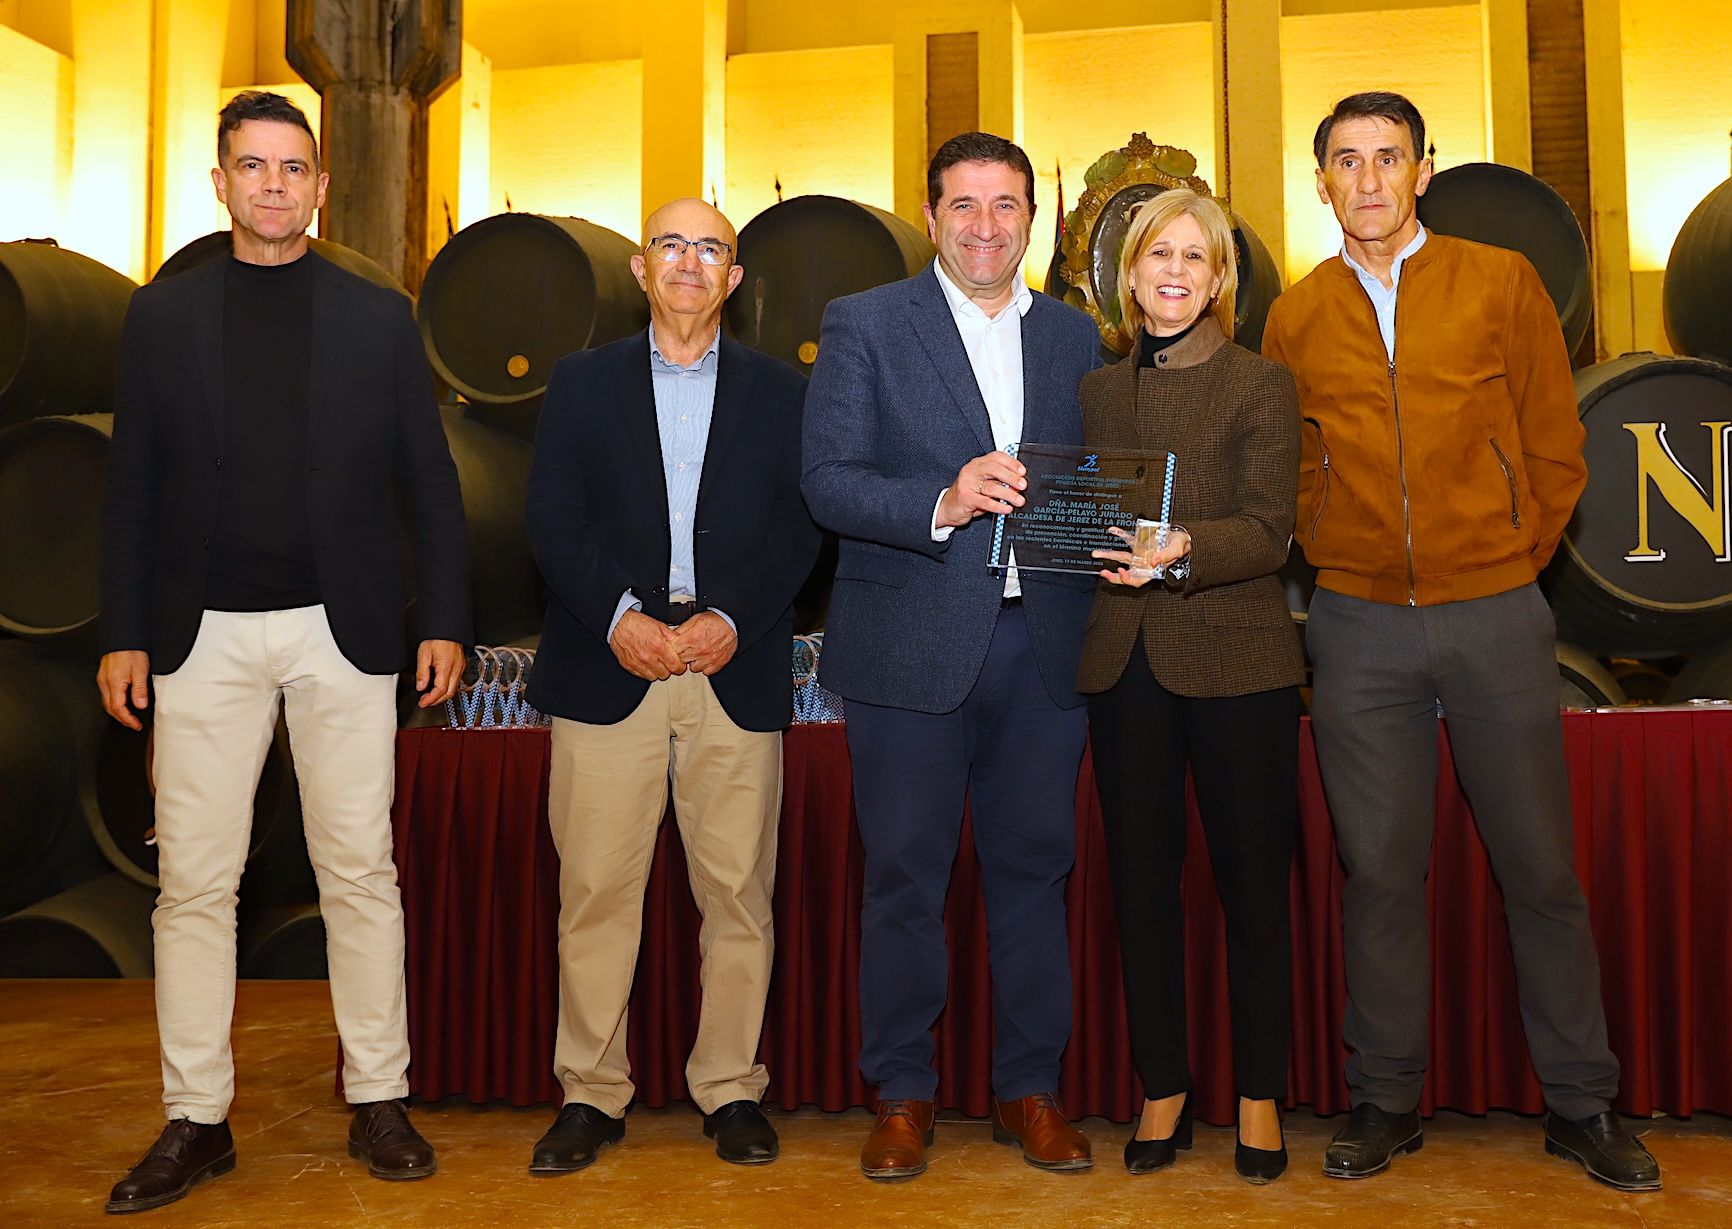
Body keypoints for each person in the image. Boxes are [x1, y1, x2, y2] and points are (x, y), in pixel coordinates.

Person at [1261, 90, 1661, 1191]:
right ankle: (1385, 1096)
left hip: (1494, 613)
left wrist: (1506, 555)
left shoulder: (1500, 281)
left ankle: (1582, 1101)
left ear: (1423, 170)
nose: (1371, 180)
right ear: (1323, 182)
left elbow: (1552, 439)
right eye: (1347, 160)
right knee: (1379, 871)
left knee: (1539, 869)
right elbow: (1293, 467)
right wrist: (1332, 547)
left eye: (1390, 157)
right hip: (1355, 625)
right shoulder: (1294, 315)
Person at [98, 91, 470, 1214]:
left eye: (292, 167)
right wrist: (122, 633)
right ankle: (196, 1118)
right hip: (199, 637)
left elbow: (431, 485)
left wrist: (443, 615)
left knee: (359, 869)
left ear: (318, 185)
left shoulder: (377, 317)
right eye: (251, 166)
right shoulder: (162, 319)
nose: (273, 184)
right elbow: (133, 491)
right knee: (194, 883)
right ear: (220, 183)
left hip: (344, 633)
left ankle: (380, 1093)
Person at [802, 131, 1102, 1180]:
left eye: (1006, 205)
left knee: (1033, 875)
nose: (985, 225)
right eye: (964, 205)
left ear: (1031, 219)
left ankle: (1031, 1087)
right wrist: (939, 499)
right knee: (902, 879)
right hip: (906, 647)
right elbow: (826, 481)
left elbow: (1100, 480)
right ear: (930, 217)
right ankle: (900, 1091)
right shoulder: (865, 324)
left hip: (1044, 643)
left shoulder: (1076, 336)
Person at [522, 197, 819, 1174]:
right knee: (597, 889)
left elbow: (801, 525)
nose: (689, 262)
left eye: (711, 248)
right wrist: (621, 618)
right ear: (641, 270)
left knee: (737, 892)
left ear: (733, 279)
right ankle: (590, 1090)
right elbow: (551, 517)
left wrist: (731, 617)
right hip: (611, 664)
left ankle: (731, 1085)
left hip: (732, 664)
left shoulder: (784, 393)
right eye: (670, 244)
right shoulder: (580, 383)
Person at [1079, 189, 1302, 1184]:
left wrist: (1178, 551)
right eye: (1154, 255)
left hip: (1239, 664)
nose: (1172, 272)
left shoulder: (1262, 385)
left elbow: (1267, 530)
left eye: (1194, 258)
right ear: (1127, 276)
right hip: (1124, 666)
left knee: (1255, 888)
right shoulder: (1093, 392)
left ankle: (1258, 1089)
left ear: (1220, 280)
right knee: (1139, 888)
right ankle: (1161, 1081)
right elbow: (1076, 510)